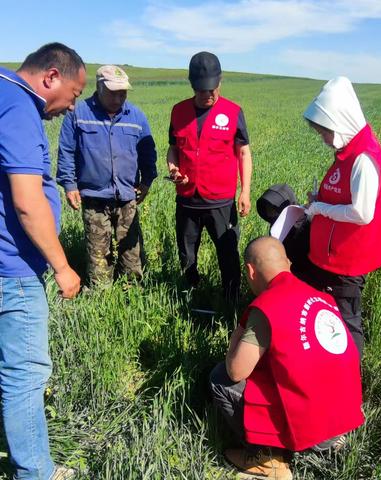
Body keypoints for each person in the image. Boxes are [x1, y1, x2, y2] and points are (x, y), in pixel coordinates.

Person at [210, 237, 364, 480]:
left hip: (310, 422)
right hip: (345, 416)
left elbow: (236, 372)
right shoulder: (323, 298)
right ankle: (328, 441)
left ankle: (267, 459)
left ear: (250, 271)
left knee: (220, 377)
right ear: (288, 263)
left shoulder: (267, 306)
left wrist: (237, 334)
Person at [0, 43, 85, 480]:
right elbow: (28, 201)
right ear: (51, 76)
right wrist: (63, 266)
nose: (71, 107)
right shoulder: (17, 107)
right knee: (25, 374)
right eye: (73, 94)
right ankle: (33, 471)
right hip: (11, 268)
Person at [303, 76, 381, 357]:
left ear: (340, 122)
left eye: (326, 131)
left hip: (347, 261)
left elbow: (362, 213)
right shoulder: (349, 150)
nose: (324, 138)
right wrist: (321, 200)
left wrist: (320, 209)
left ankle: (351, 376)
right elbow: (344, 194)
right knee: (327, 316)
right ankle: (329, 364)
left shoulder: (363, 158)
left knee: (348, 322)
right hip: (331, 255)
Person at [57, 65, 157, 285]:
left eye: (123, 92)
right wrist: (70, 185)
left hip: (127, 195)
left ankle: (132, 292)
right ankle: (101, 294)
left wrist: (147, 181)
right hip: (94, 196)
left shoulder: (136, 116)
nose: (118, 97)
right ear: (99, 86)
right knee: (97, 254)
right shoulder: (79, 114)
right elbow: (66, 151)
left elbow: (148, 153)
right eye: (113, 92)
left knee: (131, 252)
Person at [167, 51, 252, 301]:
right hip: (187, 200)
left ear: (220, 81)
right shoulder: (179, 111)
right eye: (203, 90)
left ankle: (231, 298)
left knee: (227, 253)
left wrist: (245, 191)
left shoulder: (233, 112)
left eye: (213, 88)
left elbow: (244, 153)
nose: (209, 94)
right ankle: (191, 294)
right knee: (187, 254)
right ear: (193, 85)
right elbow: (173, 149)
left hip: (221, 200)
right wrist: (173, 170)